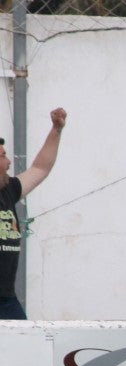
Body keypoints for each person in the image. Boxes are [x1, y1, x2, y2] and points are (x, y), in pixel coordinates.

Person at [0, 108, 67, 320]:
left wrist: (56, 130)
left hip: (7, 299)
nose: (9, 162)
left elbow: (40, 168)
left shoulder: (8, 191)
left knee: (24, 346)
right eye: (2, 156)